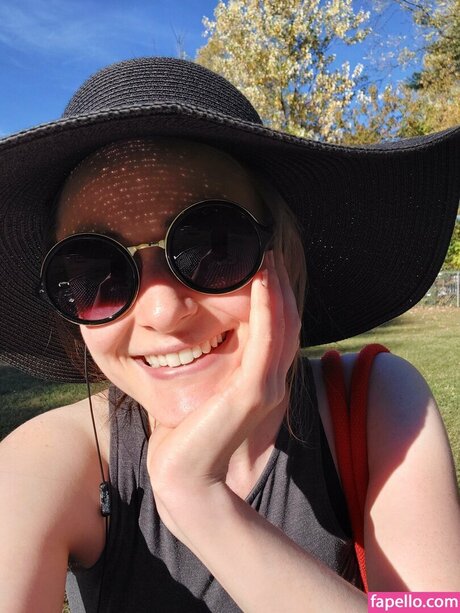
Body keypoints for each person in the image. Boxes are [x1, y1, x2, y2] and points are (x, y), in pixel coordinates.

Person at [0, 57, 458, 613]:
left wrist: (198, 499)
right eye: (96, 272)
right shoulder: (49, 460)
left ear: (283, 254)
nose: (162, 310)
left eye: (212, 247)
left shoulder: (375, 406)